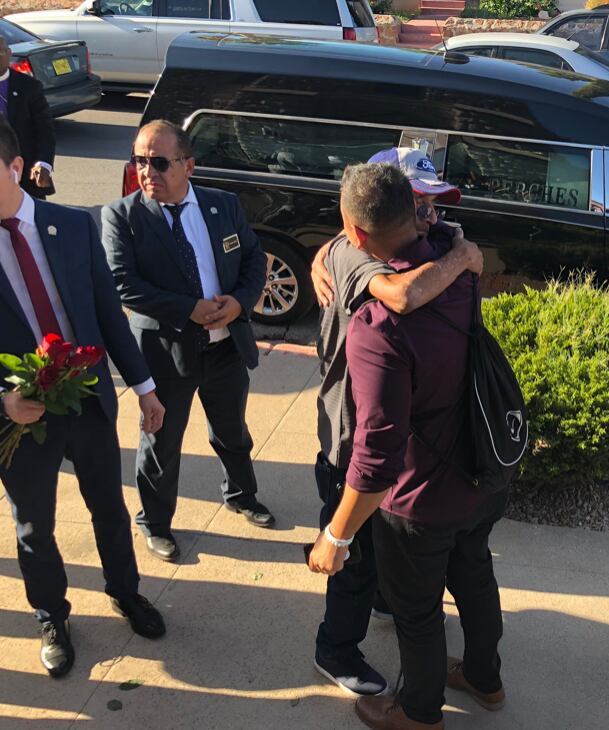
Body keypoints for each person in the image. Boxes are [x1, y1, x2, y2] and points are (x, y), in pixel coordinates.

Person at [308, 163, 507, 730]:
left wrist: (337, 535)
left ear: (355, 232)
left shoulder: (376, 325)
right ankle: (485, 679)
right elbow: (444, 252)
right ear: (417, 210)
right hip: (479, 465)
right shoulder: (456, 258)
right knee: (475, 578)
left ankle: (418, 712)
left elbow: (377, 449)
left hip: (420, 496)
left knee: (418, 613)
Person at [0, 117, 166, 678]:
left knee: (110, 509)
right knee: (34, 525)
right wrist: (3, 402)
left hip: (90, 400)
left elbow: (105, 316)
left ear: (16, 167)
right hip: (21, 418)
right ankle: (52, 614)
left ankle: (126, 591)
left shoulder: (70, 226)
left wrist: (144, 387)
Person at [101, 119, 271, 563]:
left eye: (158, 162)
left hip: (225, 346)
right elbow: (122, 283)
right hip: (164, 354)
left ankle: (241, 495)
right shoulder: (122, 216)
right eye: (139, 160)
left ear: (188, 165)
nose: (146, 171)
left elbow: (254, 259)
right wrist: (187, 308)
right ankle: (155, 524)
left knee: (232, 429)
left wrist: (240, 303)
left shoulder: (223, 206)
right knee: (162, 443)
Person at [0, 37, 56, 200]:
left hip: (23, 174)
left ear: (9, 53)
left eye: (0, 52)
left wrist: (43, 163)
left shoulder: (29, 86)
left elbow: (45, 130)